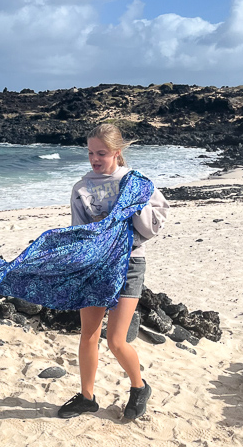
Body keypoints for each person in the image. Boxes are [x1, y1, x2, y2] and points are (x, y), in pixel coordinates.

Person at [58, 123, 169, 421]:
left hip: (131, 264)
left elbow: (152, 227)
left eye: (101, 153)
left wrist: (131, 204)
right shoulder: (81, 188)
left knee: (117, 341)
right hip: (96, 265)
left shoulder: (135, 182)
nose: (95, 159)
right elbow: (79, 232)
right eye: (91, 152)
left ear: (117, 153)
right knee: (88, 336)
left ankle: (139, 386)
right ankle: (86, 398)